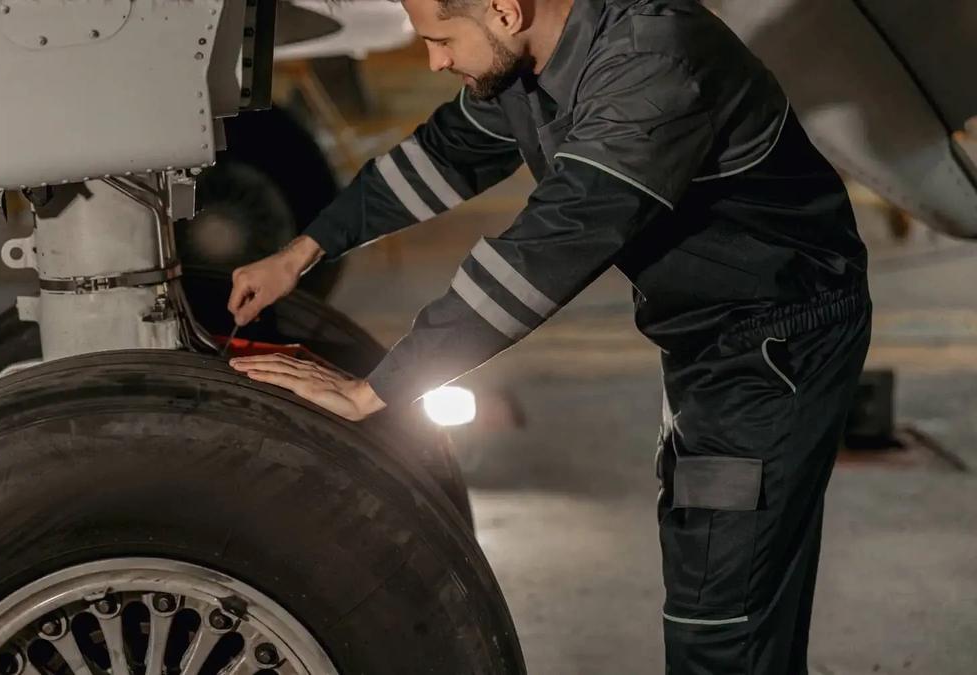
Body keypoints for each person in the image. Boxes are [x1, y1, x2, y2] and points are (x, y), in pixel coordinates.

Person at [227, 0, 871, 671]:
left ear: (504, 11)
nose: (434, 60)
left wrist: (378, 388)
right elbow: (442, 157)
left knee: (721, 617)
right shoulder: (533, 59)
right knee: (730, 587)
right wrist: (299, 253)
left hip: (771, 346)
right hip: (708, 335)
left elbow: (547, 249)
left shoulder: (653, 66)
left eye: (441, 39)